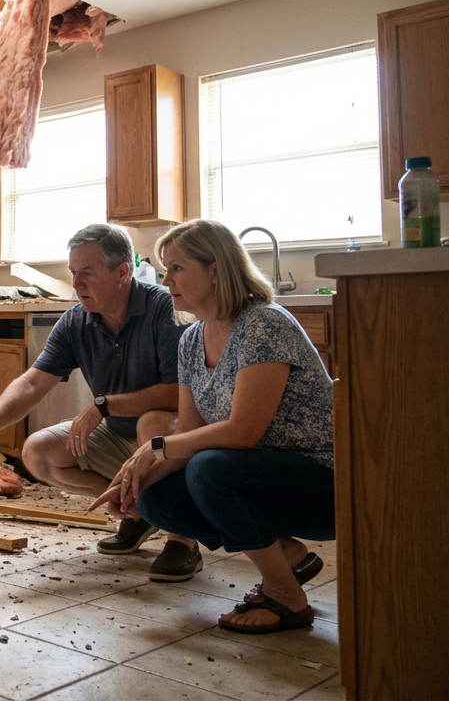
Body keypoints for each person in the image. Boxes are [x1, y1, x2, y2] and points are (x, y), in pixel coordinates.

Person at [92, 219, 335, 634]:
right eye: (165, 269)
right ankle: (285, 554)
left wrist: (152, 448)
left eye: (177, 268)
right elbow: (188, 430)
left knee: (209, 468)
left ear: (217, 269)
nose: (165, 279)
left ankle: (286, 595)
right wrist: (135, 479)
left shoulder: (263, 324)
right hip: (260, 478)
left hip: (325, 485)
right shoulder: (191, 339)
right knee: (155, 498)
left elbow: (243, 433)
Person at [0, 224, 200, 581]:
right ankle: (138, 513)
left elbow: (180, 393)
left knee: (153, 423)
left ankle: (183, 537)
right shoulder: (75, 321)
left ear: (122, 272)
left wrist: (103, 405)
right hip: (118, 437)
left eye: (87, 273)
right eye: (72, 273)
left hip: (173, 438)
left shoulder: (165, 308)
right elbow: (33, 382)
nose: (76, 284)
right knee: (37, 451)